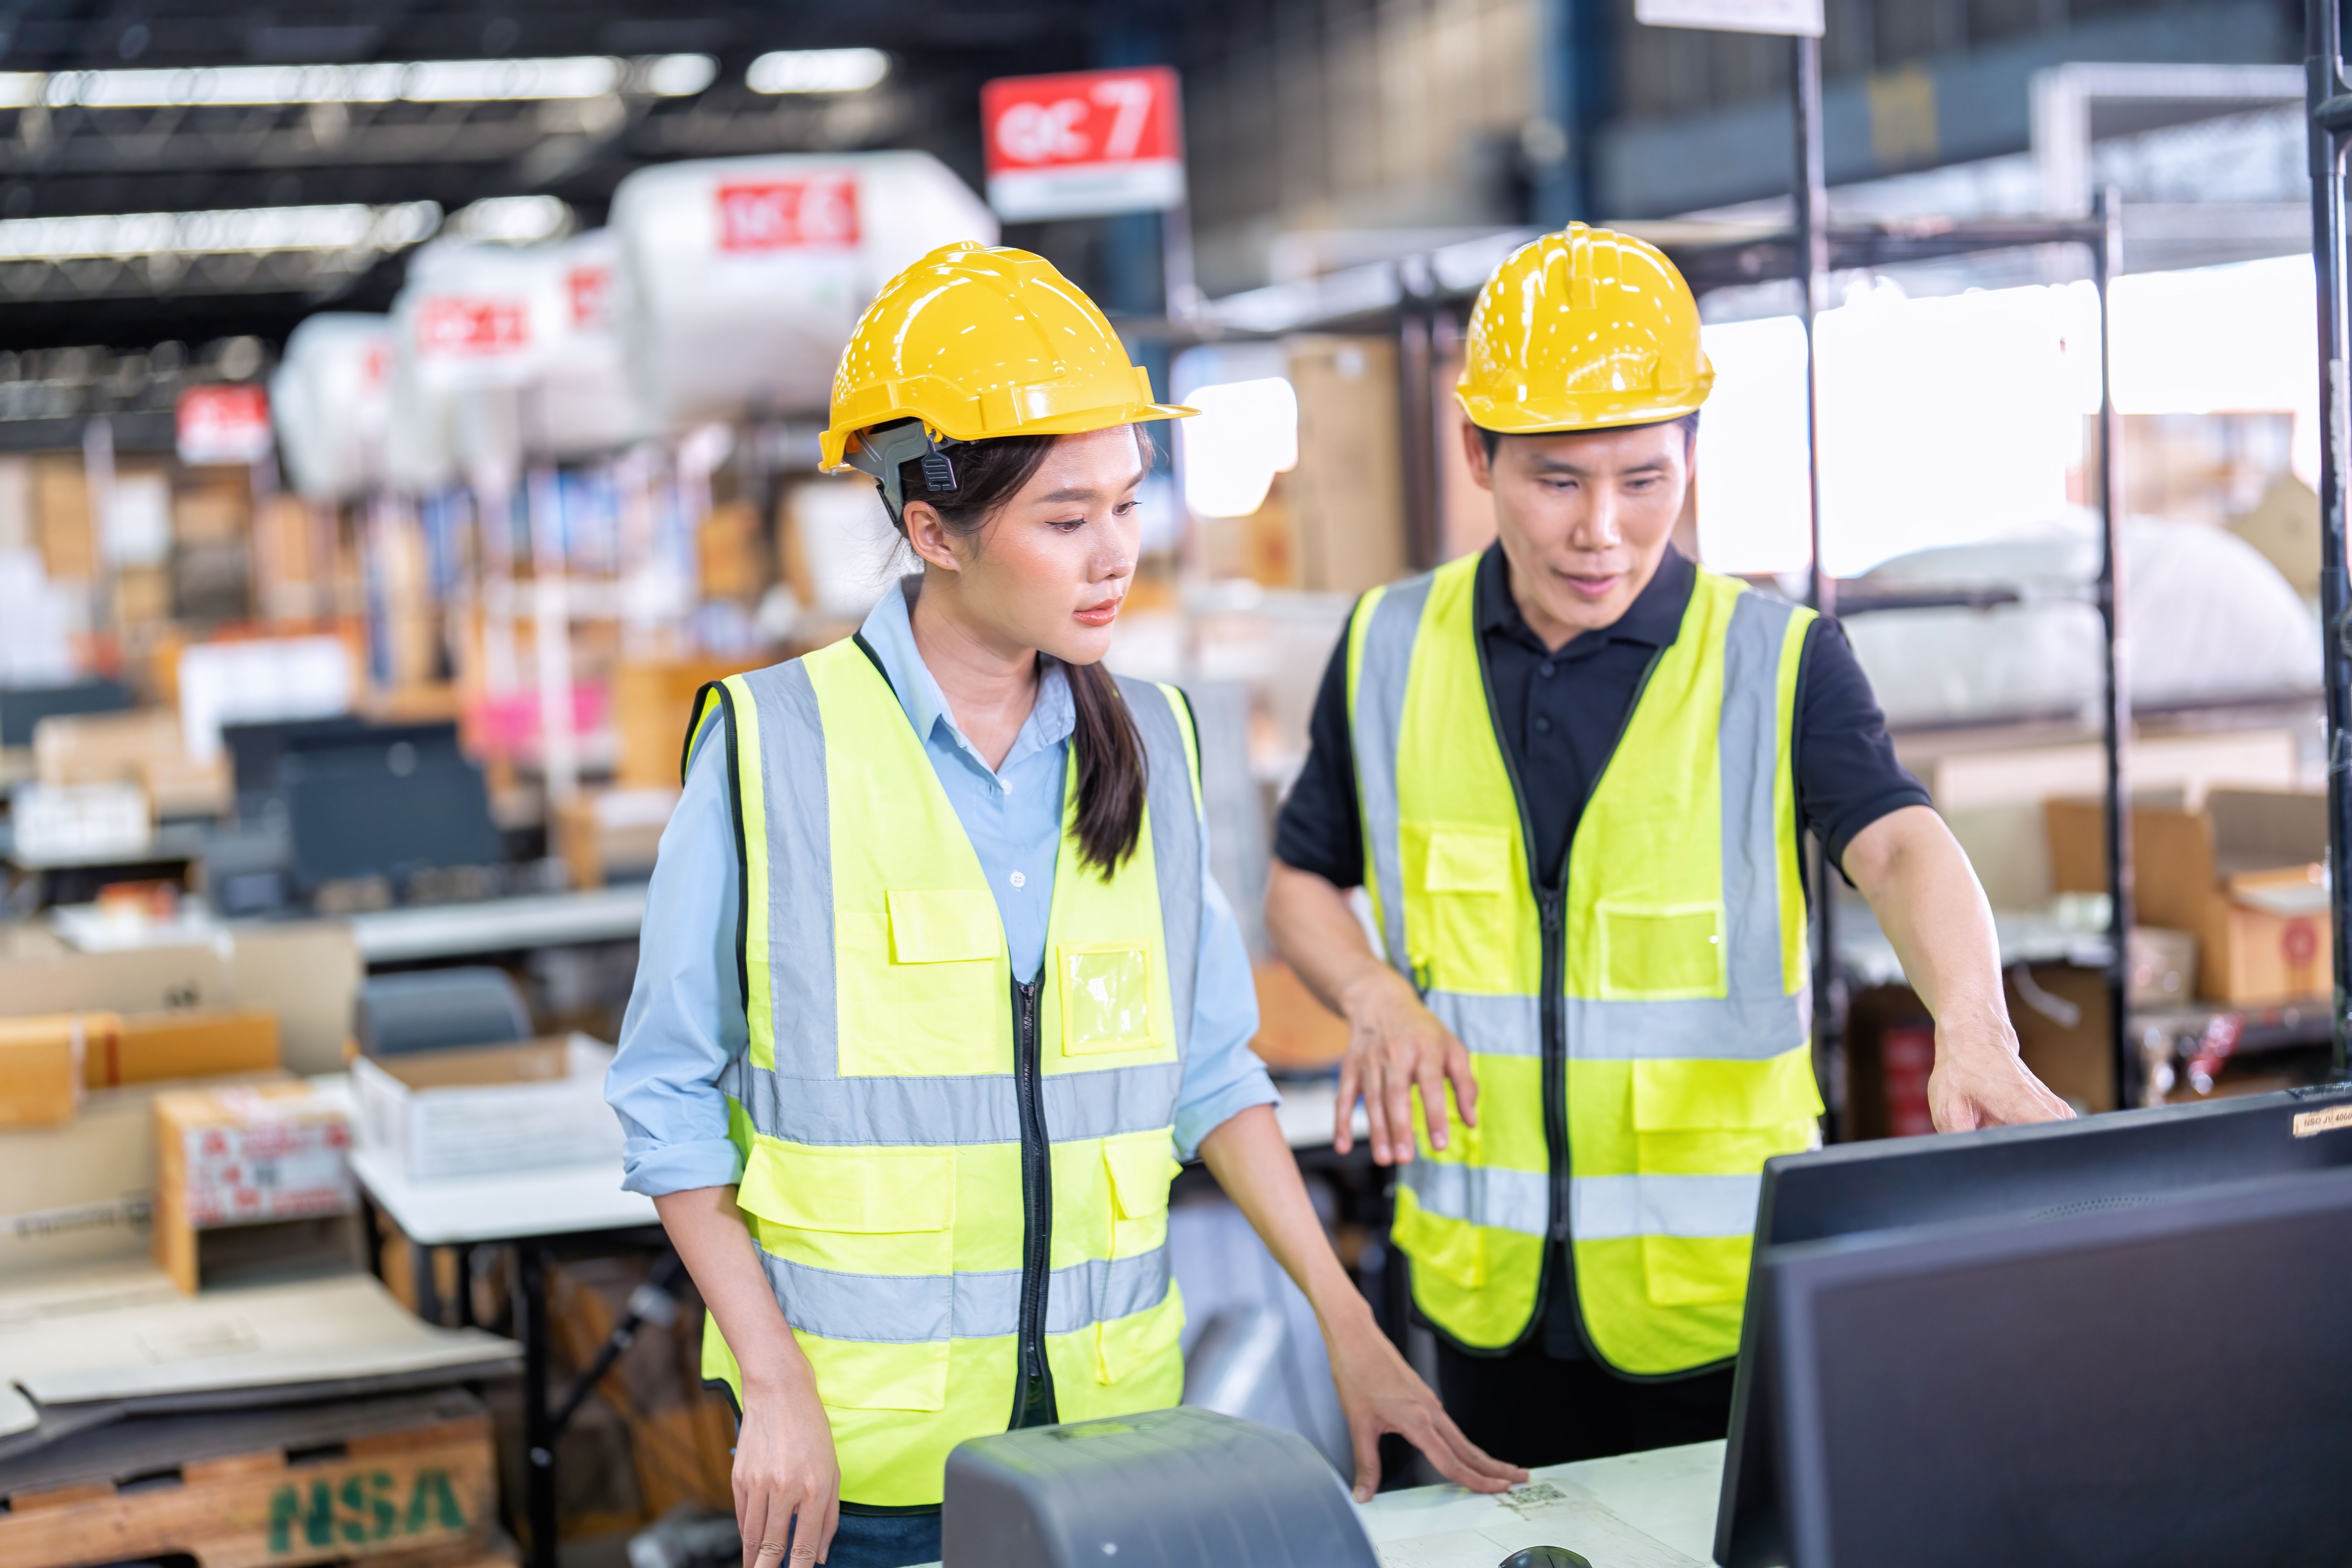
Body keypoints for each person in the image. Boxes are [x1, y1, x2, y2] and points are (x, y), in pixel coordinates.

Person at [606, 241, 1523, 1568]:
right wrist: (778, 1390)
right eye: (1064, 517)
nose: (1115, 557)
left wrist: (1348, 1325)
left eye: (1128, 503)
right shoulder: (769, 746)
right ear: (932, 531)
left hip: (1110, 1448)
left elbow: (1212, 1070)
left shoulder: (1152, 741)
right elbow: (667, 1098)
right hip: (866, 1471)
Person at [1263, 224, 2074, 1471]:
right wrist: (1370, 990)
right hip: (1484, 1306)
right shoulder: (1385, 646)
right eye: (1557, 480)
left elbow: (1900, 844)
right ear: (1477, 452)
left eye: (1645, 479)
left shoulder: (1778, 659)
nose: (1603, 528)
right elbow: (1304, 875)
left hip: (1714, 1309)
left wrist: (1973, 1019)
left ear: (1691, 452)